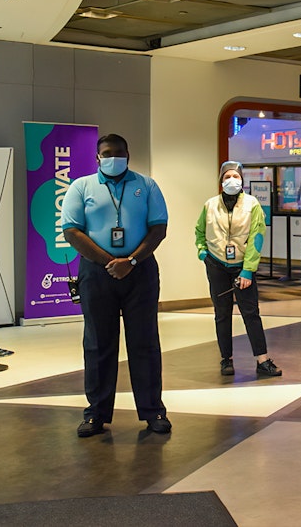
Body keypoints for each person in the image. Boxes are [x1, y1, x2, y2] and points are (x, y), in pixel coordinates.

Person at [61, 133, 171, 437]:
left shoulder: (146, 185)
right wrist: (110, 262)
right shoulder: (81, 186)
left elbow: (158, 227)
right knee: (98, 344)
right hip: (96, 274)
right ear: (98, 157)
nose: (113, 157)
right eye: (107, 153)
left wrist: (131, 261)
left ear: (128, 155)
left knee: (145, 343)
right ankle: (96, 414)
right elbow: (71, 230)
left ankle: (153, 412)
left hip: (141, 271)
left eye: (119, 152)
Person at [195, 161, 281, 378]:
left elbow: (257, 237)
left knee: (251, 313)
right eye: (227, 176)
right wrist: (203, 253)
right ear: (221, 180)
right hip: (216, 265)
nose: (231, 180)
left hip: (243, 267)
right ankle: (226, 359)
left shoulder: (253, 205)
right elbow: (199, 231)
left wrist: (248, 270)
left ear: (242, 180)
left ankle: (262, 360)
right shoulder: (210, 205)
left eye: (235, 176)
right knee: (221, 314)